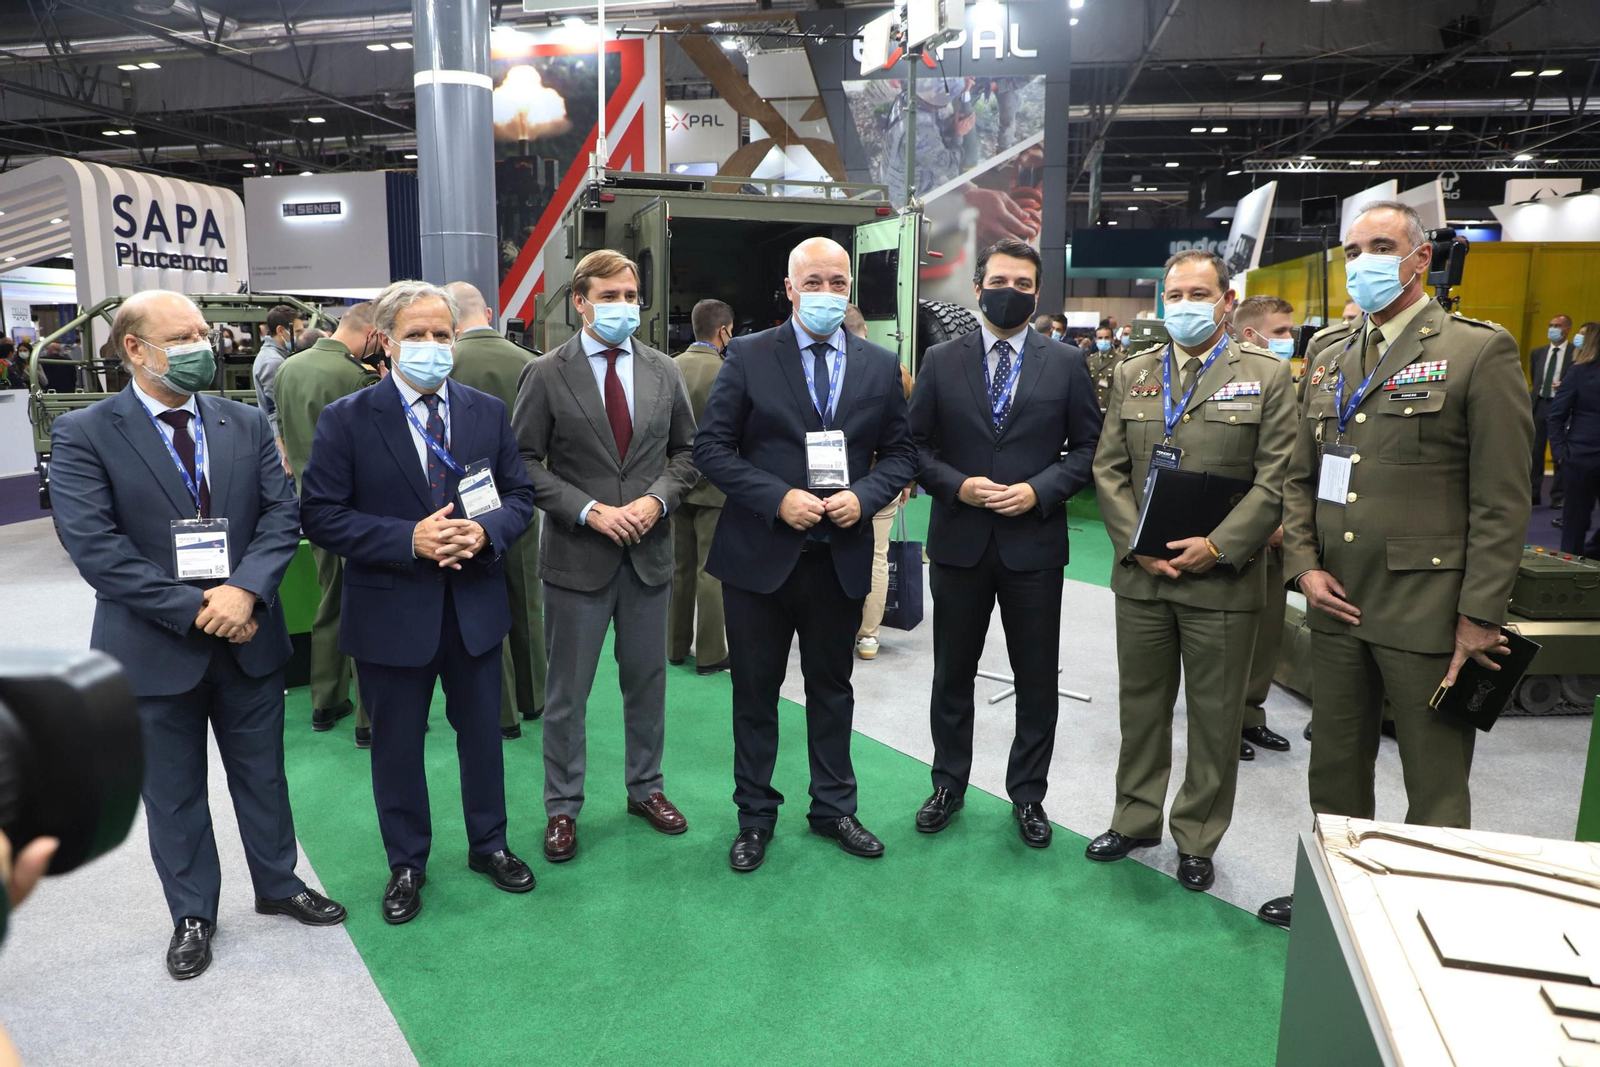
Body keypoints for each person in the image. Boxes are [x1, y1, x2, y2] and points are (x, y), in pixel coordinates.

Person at [48, 289, 345, 979]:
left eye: (200, 333)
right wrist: (195, 609)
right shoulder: (87, 433)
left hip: (248, 638)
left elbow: (280, 516)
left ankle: (279, 882)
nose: (201, 345)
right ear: (134, 349)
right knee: (173, 789)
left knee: (263, 774)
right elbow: (96, 547)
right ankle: (193, 912)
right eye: (181, 336)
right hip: (152, 646)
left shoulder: (241, 421)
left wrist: (244, 591)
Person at [1257, 200, 1533, 930]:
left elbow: (1504, 501)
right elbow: (1299, 475)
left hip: (1431, 610)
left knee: (1434, 777)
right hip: (1338, 599)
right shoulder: (1329, 351)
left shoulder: (1478, 350)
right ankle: (1336, 898)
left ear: (1422, 258)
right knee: (1336, 765)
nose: (1364, 261)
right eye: (1354, 248)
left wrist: (1481, 617)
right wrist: (1305, 569)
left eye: (1381, 245)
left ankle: (1425, 916)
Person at [300, 280, 539, 924]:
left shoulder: (486, 413)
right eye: (416, 335)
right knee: (397, 746)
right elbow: (321, 515)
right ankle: (407, 862)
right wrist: (409, 539)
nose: (431, 346)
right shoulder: (348, 419)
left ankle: (490, 844)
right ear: (386, 341)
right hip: (390, 612)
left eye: (442, 335)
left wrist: (485, 532)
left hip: (474, 607)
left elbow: (519, 496)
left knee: (483, 738)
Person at [694, 237, 917, 872]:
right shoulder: (746, 355)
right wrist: (776, 498)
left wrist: (867, 496)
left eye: (838, 282)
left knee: (833, 688)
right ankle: (755, 816)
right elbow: (713, 448)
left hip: (838, 553)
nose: (827, 293)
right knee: (756, 695)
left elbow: (901, 452)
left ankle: (833, 807)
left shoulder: (879, 365)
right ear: (790, 290)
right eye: (813, 282)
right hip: (760, 556)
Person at [1088, 249, 1296, 893]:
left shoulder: (1266, 374)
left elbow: (1276, 480)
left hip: (1224, 580)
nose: (1185, 306)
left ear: (1226, 301)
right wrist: (1137, 544)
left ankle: (1198, 836)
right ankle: (1135, 818)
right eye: (1175, 295)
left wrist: (1220, 546)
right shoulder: (1135, 372)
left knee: (1214, 717)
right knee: (1142, 708)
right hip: (1144, 575)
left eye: (1199, 294)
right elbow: (1109, 469)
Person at [908, 238, 1101, 845]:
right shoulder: (941, 361)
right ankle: (948, 784)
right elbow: (915, 449)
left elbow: (1091, 449)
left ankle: (1028, 796)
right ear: (977, 287)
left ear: (1036, 293)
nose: (1009, 292)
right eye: (999, 281)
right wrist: (958, 486)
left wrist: (1040, 491)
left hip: (1033, 546)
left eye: (1022, 284)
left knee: (1036, 675)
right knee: (952, 673)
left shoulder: (1066, 363)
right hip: (960, 542)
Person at [511, 250, 699, 864]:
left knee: (647, 684)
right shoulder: (545, 373)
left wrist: (657, 503)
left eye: (631, 295)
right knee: (568, 693)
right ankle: (562, 806)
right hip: (576, 558)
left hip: (648, 556)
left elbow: (688, 455)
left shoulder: (664, 370)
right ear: (581, 302)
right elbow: (523, 464)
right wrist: (590, 510)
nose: (625, 306)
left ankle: (646, 789)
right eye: (611, 296)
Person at [273, 302, 383, 744]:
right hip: (358, 513)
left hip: (311, 505)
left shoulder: (288, 369)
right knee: (363, 609)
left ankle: (324, 700)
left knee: (330, 601)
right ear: (375, 334)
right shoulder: (356, 377)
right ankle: (369, 719)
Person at [444, 280, 549, 741]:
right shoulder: (532, 363)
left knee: (481, 603)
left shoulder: (445, 364)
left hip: (455, 506)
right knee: (526, 596)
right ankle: (534, 697)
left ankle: (501, 710)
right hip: (520, 499)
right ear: (488, 311)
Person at [1232, 294, 1299, 760]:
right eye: (1280, 332)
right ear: (1251, 335)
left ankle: (1251, 714)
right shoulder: (1235, 381)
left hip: (1283, 530)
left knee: (1268, 631)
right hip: (1241, 529)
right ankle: (1224, 720)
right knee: (1231, 638)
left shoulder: (1293, 380)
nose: (1289, 340)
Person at [848, 302, 916, 661]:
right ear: (867, 330)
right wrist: (905, 479)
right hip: (882, 480)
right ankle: (868, 636)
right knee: (876, 555)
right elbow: (909, 433)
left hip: (834, 482)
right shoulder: (896, 369)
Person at [670, 298, 733, 675]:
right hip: (715, 487)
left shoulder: (670, 366)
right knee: (710, 572)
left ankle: (675, 647)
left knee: (679, 568)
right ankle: (710, 654)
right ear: (723, 330)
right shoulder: (727, 371)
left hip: (675, 485)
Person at [1550, 320, 1600, 556]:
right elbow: (1557, 416)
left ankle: (1581, 561)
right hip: (1580, 457)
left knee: (1576, 522)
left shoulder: (1577, 372)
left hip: (1580, 456)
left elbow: (1557, 416)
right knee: (1575, 521)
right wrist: (1560, 453)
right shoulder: (1578, 372)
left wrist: (1561, 453)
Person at [1531, 314, 1575, 510]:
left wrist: (1565, 387)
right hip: (1540, 404)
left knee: (1559, 452)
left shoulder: (1576, 353)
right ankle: (1532, 494)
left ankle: (1558, 496)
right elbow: (1536, 377)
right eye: (1550, 325)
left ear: (1567, 329)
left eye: (1557, 325)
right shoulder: (1538, 353)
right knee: (1534, 452)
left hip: (1562, 407)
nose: (1553, 328)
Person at [252, 304, 302, 474]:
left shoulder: (276, 357)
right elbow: (275, 411)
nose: (300, 337)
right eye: (298, 331)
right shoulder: (272, 362)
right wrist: (284, 453)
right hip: (280, 446)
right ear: (281, 330)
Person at [1088, 326, 1122, 414]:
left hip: (1112, 409)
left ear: (1112, 339)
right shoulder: (1090, 360)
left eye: (1106, 338)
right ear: (1095, 340)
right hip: (1093, 409)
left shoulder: (1120, 360)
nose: (1103, 340)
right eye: (1100, 338)